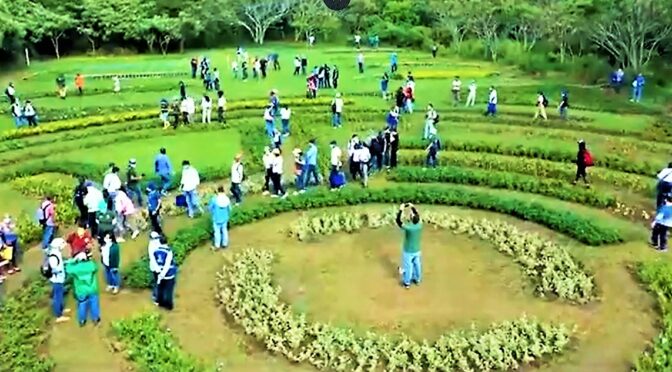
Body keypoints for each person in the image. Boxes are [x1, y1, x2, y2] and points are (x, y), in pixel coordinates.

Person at [65, 253, 101, 326]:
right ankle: (96, 319)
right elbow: (96, 268)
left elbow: (67, 269)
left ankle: (82, 320)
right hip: (92, 289)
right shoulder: (91, 265)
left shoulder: (75, 268)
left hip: (81, 290)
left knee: (82, 304)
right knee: (94, 304)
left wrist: (72, 261)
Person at [396, 203, 423, 288]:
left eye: (411, 214)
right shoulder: (420, 225)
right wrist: (412, 207)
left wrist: (401, 210)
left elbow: (398, 221)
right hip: (417, 250)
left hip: (408, 251)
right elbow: (417, 215)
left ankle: (407, 283)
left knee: (408, 267)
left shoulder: (409, 228)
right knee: (417, 264)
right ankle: (417, 279)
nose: (410, 214)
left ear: (411, 219)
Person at [44, 238, 70, 323]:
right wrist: (61, 270)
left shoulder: (56, 253)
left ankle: (61, 309)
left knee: (60, 295)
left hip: (60, 279)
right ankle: (58, 315)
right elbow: (54, 269)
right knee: (57, 297)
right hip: (57, 279)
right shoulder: (53, 256)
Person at [154, 236, 178, 310]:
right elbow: (167, 264)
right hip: (169, 274)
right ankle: (169, 306)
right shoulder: (168, 251)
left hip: (160, 272)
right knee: (169, 290)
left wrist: (160, 275)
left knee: (160, 288)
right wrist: (163, 274)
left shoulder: (156, 251)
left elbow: (156, 263)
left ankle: (160, 302)